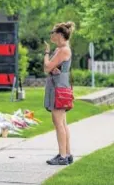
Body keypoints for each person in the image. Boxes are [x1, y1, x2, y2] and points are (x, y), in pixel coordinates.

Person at [43, 21, 75, 165]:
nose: (51, 35)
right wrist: (52, 67)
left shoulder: (63, 50)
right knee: (62, 122)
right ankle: (67, 154)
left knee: (58, 122)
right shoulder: (61, 49)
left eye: (53, 32)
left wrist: (46, 53)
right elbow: (50, 68)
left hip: (59, 89)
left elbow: (47, 66)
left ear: (60, 35)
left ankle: (62, 156)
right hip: (59, 87)